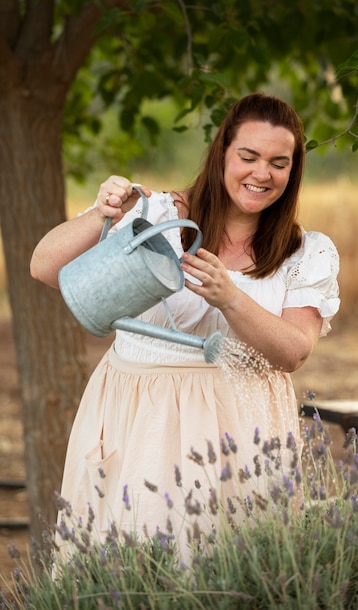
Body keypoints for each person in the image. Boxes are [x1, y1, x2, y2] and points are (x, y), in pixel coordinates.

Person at [30, 93, 340, 556]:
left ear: (292, 171)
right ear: (222, 155)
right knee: (134, 559)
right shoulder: (156, 215)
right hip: (140, 415)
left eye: (280, 162)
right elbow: (46, 268)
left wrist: (230, 299)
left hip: (243, 423)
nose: (262, 174)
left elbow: (294, 351)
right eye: (248, 156)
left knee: (233, 565)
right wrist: (104, 212)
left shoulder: (303, 250)